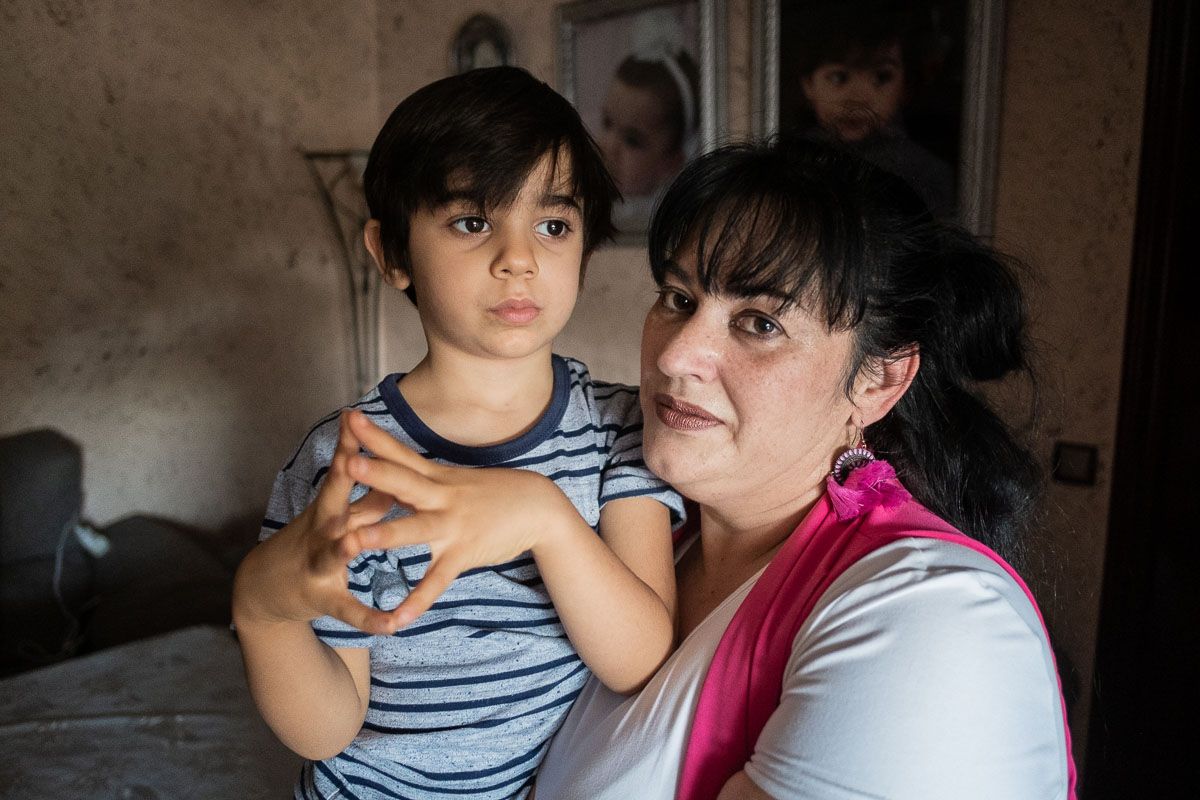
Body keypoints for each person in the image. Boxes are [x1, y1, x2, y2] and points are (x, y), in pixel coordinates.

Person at [344, 137, 1078, 799]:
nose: (674, 355)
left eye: (760, 323)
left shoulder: (929, 618)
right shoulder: (638, 526)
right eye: (678, 298)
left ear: (878, 380)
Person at [232, 66, 684, 800]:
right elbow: (328, 731)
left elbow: (639, 659)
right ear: (392, 254)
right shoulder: (346, 459)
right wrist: (262, 612)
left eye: (553, 225)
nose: (519, 259)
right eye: (473, 222)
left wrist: (544, 516)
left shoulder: (618, 429)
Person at [783, 0, 957, 218]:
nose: (858, 98)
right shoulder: (789, 163)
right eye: (839, 78)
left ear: (906, 87)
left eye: (881, 77)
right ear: (808, 85)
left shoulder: (926, 173)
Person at [598, 45, 699, 233]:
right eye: (607, 123)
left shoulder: (667, 222)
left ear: (672, 162)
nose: (609, 147)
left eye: (632, 140)